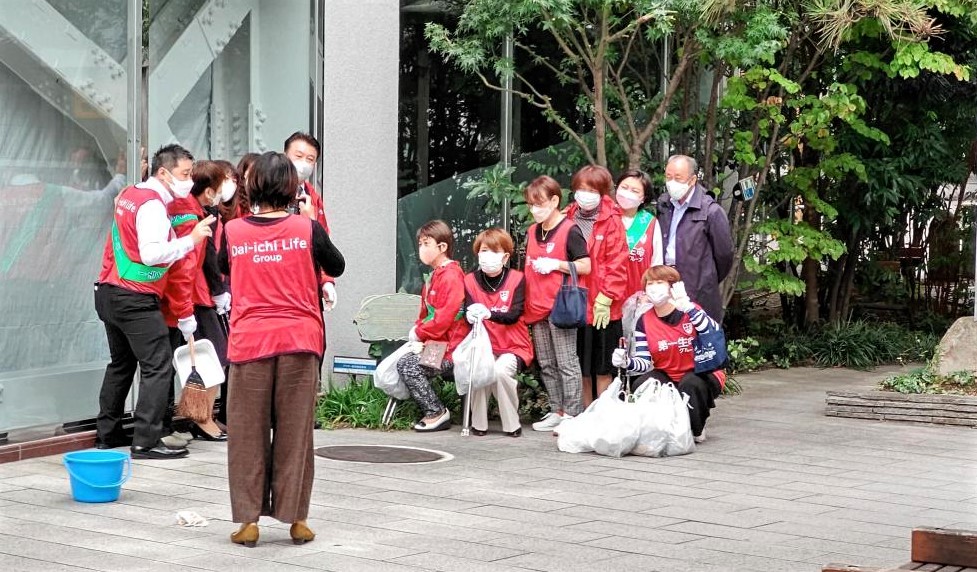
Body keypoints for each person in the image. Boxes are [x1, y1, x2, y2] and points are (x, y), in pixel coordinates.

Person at [218, 151, 345, 547]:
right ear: (293, 188)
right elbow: (336, 266)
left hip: (249, 342)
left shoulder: (234, 232)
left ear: (251, 187)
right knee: (295, 433)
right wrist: (309, 222)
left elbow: (222, 267)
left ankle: (248, 521)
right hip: (299, 341)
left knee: (246, 434)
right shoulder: (308, 230)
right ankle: (296, 520)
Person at [93, 144, 215, 460]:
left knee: (121, 364)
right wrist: (192, 239)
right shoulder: (153, 206)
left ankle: (108, 434)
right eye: (184, 174)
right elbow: (151, 253)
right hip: (134, 297)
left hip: (108, 290)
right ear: (163, 173)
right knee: (158, 365)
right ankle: (146, 441)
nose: (189, 181)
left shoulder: (131, 195)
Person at [611, 265, 726, 443]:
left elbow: (711, 330)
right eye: (650, 283)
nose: (654, 287)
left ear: (672, 286)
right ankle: (662, 427)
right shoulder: (644, 320)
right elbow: (644, 361)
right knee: (643, 383)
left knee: (690, 384)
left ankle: (696, 428)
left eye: (660, 282)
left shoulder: (690, 309)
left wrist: (689, 308)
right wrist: (626, 362)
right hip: (668, 374)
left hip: (702, 372)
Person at [161, 160, 233, 442]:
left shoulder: (191, 209)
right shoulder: (191, 213)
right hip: (193, 295)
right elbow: (200, 261)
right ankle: (201, 417)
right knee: (214, 354)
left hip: (185, 295)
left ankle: (193, 418)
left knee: (175, 360)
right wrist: (217, 293)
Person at [522, 176, 591, 433]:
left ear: (554, 201)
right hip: (535, 305)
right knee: (547, 363)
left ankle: (573, 414)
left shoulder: (570, 229)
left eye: (539, 203)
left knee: (566, 361)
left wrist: (557, 264)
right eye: (530, 204)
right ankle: (556, 409)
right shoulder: (532, 231)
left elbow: (586, 265)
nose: (534, 209)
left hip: (560, 305)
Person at [565, 165, 630, 404]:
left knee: (604, 367)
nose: (585, 194)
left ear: (602, 192)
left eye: (591, 189)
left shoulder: (612, 221)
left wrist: (607, 296)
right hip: (576, 303)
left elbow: (618, 264)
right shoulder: (568, 216)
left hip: (605, 307)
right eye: (581, 188)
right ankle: (585, 415)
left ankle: (605, 417)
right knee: (582, 366)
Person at [398, 220, 470, 432]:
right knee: (406, 363)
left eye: (426, 243)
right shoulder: (436, 275)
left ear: (442, 247)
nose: (422, 249)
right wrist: (419, 332)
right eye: (420, 244)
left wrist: (418, 332)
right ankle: (435, 411)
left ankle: (436, 412)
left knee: (409, 366)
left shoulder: (451, 276)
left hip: (448, 348)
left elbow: (443, 319)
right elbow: (425, 314)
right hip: (436, 344)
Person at [462, 228, 534, 437]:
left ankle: (512, 424)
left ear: (505, 256)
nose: (487, 256)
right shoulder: (469, 281)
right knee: (479, 369)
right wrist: (470, 315)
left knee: (500, 371)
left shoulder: (517, 279)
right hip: (484, 345)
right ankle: (478, 424)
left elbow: (513, 314)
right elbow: (467, 313)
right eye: (484, 250)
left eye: (494, 250)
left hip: (514, 346)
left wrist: (488, 313)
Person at [655, 155, 733, 322]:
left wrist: (706, 278)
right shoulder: (664, 205)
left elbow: (724, 256)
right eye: (668, 177)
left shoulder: (711, 211)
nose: (671, 182)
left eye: (678, 178)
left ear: (692, 180)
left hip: (698, 290)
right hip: (664, 286)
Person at [283, 132, 337, 312]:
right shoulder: (269, 193)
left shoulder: (312, 196)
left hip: (307, 286)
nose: (303, 163)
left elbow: (323, 241)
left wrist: (326, 281)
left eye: (310, 159)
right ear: (285, 157)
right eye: (298, 156)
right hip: (278, 284)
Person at [615, 169, 663, 297]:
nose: (627, 193)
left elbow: (656, 264)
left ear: (644, 198)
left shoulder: (650, 223)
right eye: (624, 187)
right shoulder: (606, 217)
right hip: (604, 298)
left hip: (638, 297)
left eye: (634, 191)